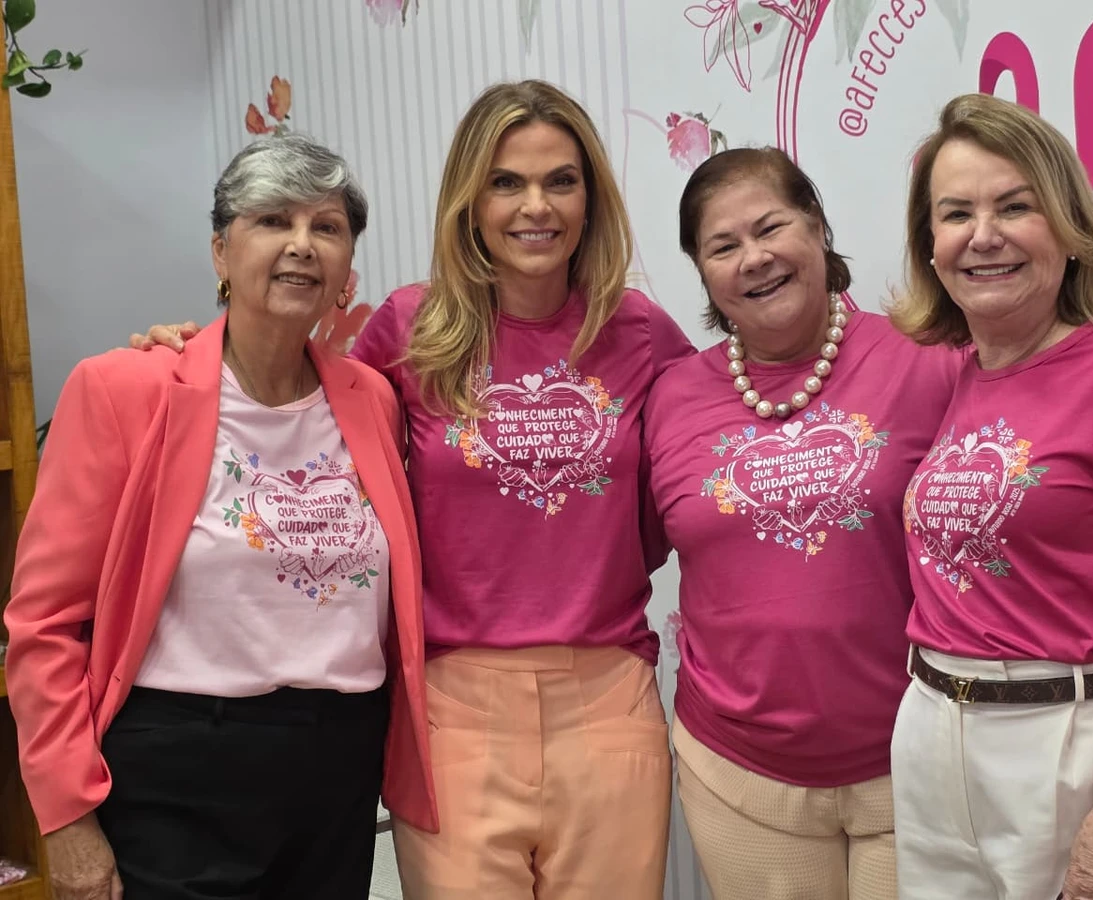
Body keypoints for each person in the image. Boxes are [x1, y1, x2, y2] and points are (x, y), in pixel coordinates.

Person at [134, 79, 691, 900]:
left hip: (608, 701)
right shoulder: (409, 329)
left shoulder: (642, 333)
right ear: (470, 200)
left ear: (590, 199)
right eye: (506, 181)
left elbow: (704, 464)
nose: (534, 206)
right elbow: (285, 402)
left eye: (559, 181)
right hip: (451, 702)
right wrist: (184, 348)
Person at [642, 144, 1093, 900]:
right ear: (699, 271)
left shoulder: (936, 354)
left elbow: (1045, 382)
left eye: (771, 228)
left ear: (818, 228)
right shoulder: (669, 397)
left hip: (917, 769)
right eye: (723, 246)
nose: (754, 258)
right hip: (737, 770)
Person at [4, 134, 435, 900]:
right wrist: (65, 817)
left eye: (327, 227)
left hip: (338, 769)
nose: (302, 245)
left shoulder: (373, 399)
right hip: (178, 772)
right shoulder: (123, 390)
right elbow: (43, 624)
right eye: (272, 220)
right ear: (220, 252)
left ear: (346, 270)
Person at [888, 92, 1093, 900]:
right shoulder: (952, 374)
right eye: (955, 213)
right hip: (933, 739)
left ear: (1067, 227)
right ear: (931, 245)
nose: (982, 235)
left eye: (1014, 206)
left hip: (1074, 746)